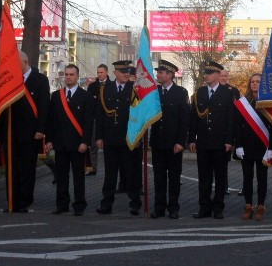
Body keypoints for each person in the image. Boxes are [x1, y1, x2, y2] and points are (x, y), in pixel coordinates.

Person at [0, 51, 50, 213]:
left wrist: (41, 130)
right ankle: (12, 201)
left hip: (30, 133)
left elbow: (44, 107)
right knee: (12, 169)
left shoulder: (40, 80)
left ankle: (25, 201)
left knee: (28, 169)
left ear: (25, 61)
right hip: (11, 133)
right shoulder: (11, 81)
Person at [188, 60, 235, 219]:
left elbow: (231, 120)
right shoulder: (199, 93)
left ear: (217, 74)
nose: (206, 76)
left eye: (209, 73)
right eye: (205, 73)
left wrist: (229, 140)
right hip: (203, 142)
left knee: (220, 177)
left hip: (220, 142)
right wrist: (191, 139)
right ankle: (204, 207)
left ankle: (218, 207)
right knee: (204, 176)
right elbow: (193, 118)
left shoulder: (228, 93)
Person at [46, 64, 94, 215]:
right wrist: (49, 140)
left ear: (77, 76)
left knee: (78, 177)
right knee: (61, 176)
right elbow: (51, 120)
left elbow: (88, 122)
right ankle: (61, 205)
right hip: (60, 144)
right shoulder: (56, 96)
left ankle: (79, 206)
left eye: (71, 74)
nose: (68, 77)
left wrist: (85, 142)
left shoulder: (85, 96)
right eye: (66, 74)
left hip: (77, 144)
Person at [95, 60, 140, 215]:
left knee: (130, 173)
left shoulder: (134, 89)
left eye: (128, 71)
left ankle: (135, 203)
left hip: (128, 137)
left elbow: (139, 114)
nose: (126, 74)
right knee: (110, 174)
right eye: (123, 71)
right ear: (115, 73)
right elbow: (100, 115)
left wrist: (138, 135)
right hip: (110, 138)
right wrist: (99, 137)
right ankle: (106, 204)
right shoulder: (105, 89)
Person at [149, 60, 189, 219]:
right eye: (158, 72)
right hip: (158, 142)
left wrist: (181, 142)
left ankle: (173, 207)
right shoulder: (155, 92)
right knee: (158, 177)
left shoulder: (181, 92)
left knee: (173, 177)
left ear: (170, 74)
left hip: (174, 144)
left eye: (161, 72)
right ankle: (159, 207)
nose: (158, 74)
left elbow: (184, 120)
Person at [234, 73, 272, 221]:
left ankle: (261, 206)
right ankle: (248, 205)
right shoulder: (243, 103)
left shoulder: (268, 103)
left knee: (262, 178)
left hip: (262, 146)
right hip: (246, 146)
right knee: (247, 177)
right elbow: (237, 126)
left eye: (258, 81)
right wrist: (238, 145)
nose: (255, 84)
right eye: (253, 81)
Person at [85, 64, 109, 175]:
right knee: (93, 145)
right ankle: (93, 167)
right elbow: (89, 103)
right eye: (98, 72)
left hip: (108, 119)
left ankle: (110, 168)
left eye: (101, 72)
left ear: (106, 72)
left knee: (109, 146)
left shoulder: (111, 85)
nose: (99, 74)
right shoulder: (92, 87)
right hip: (95, 119)